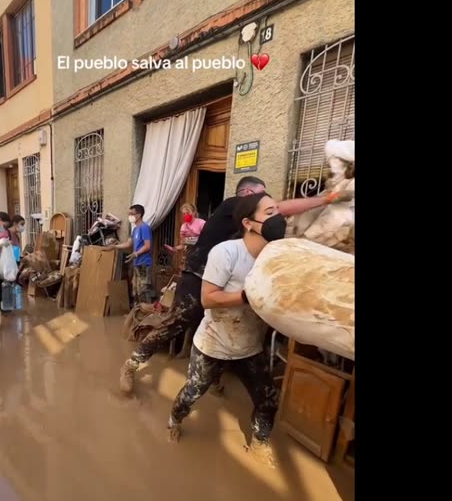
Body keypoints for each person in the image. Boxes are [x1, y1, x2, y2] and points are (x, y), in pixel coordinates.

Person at [118, 176, 349, 393]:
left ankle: (212, 379)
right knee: (176, 323)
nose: (268, 208)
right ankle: (131, 364)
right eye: (261, 198)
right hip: (197, 275)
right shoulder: (232, 205)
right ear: (247, 194)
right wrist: (325, 199)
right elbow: (280, 208)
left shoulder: (249, 226)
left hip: (226, 281)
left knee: (223, 326)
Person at [166, 191, 286, 465]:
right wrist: (247, 296)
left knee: (268, 399)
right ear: (248, 223)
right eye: (269, 213)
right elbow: (208, 299)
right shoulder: (226, 252)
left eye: (278, 211)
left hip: (250, 345)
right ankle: (173, 420)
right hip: (213, 343)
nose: (277, 217)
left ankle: (259, 442)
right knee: (192, 394)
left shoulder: (276, 256)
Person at [102, 204, 155, 303]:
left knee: (143, 289)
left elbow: (147, 246)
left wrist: (136, 253)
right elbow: (128, 244)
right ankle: (137, 312)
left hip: (143, 264)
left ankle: (146, 313)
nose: (129, 216)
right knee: (135, 289)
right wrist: (114, 246)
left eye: (132, 213)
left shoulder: (144, 228)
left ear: (138, 215)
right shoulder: (135, 230)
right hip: (136, 263)